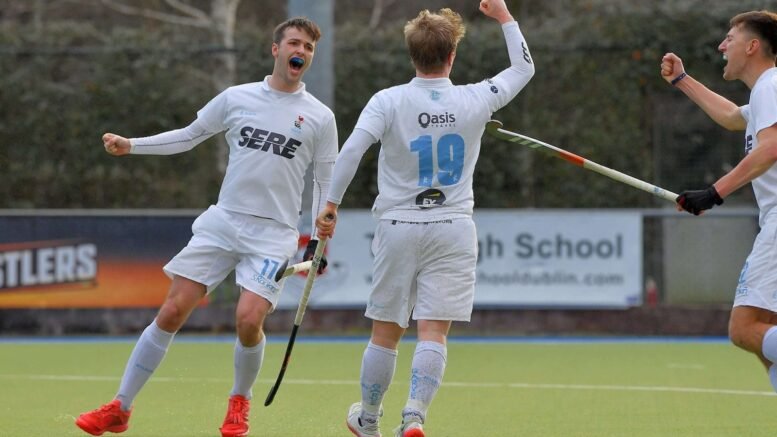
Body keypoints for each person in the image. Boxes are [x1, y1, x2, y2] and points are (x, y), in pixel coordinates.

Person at [74, 17, 337, 437]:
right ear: (275, 49)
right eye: (294, 43)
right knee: (172, 310)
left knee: (249, 320)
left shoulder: (320, 117)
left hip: (274, 234)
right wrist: (133, 145)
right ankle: (120, 407)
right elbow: (189, 135)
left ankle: (239, 402)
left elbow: (326, 180)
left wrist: (318, 237)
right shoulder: (237, 98)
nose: (301, 52)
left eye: (308, 47)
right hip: (223, 222)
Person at [315, 1, 534, 436]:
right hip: (454, 226)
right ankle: (414, 415)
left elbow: (353, 151)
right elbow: (523, 68)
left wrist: (330, 204)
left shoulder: (388, 100)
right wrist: (505, 17)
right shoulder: (476, 96)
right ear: (452, 55)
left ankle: (370, 418)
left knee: (386, 332)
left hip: (398, 226)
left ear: (412, 54)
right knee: (433, 330)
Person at [662, 10, 777, 392]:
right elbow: (731, 117)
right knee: (767, 335)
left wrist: (714, 193)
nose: (722, 46)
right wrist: (682, 80)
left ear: (753, 46)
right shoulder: (765, 92)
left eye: (730, 38)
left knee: (744, 329)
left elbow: (771, 148)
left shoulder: (771, 85)